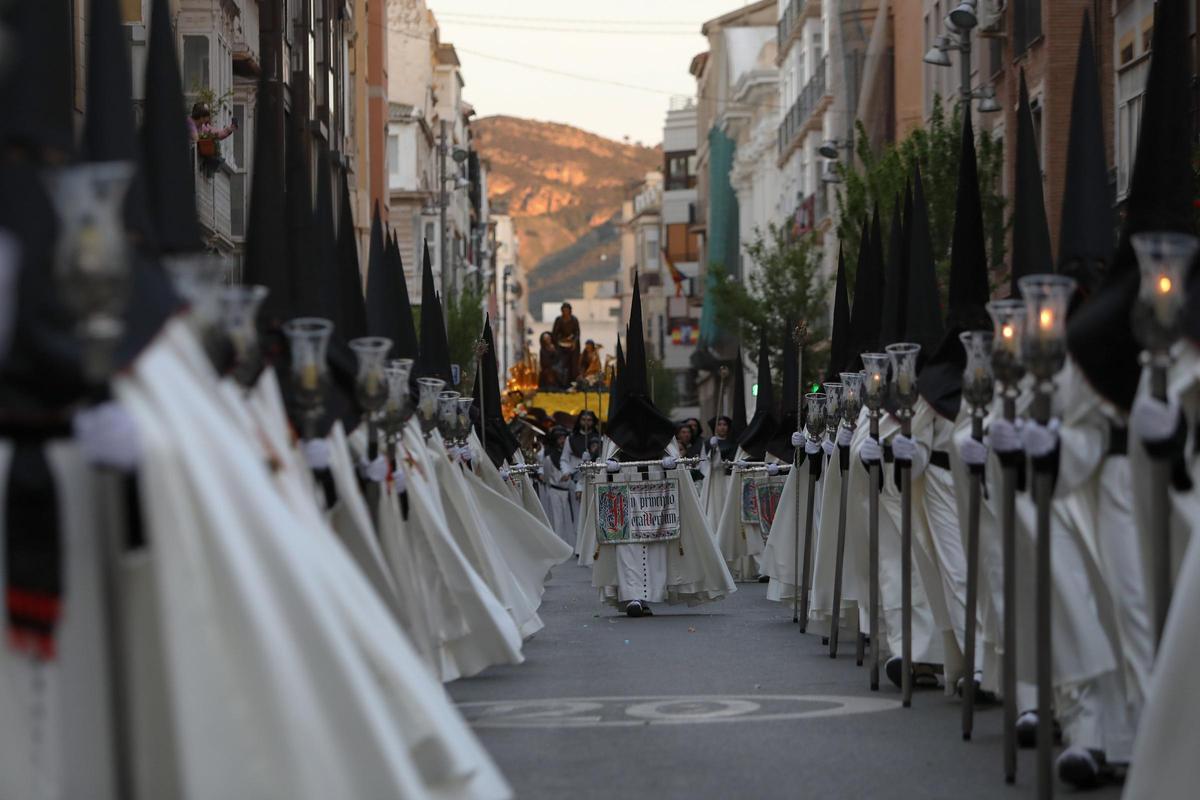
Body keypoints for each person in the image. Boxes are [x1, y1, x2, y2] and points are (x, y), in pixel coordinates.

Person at [551, 302, 581, 387]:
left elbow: (577, 333)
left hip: (572, 345)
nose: (565, 312)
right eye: (564, 310)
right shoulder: (559, 320)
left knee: (573, 365)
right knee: (561, 364)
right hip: (561, 345)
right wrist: (561, 340)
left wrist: (574, 341)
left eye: (567, 310)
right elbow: (555, 332)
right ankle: (562, 383)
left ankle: (573, 383)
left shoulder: (574, 319)